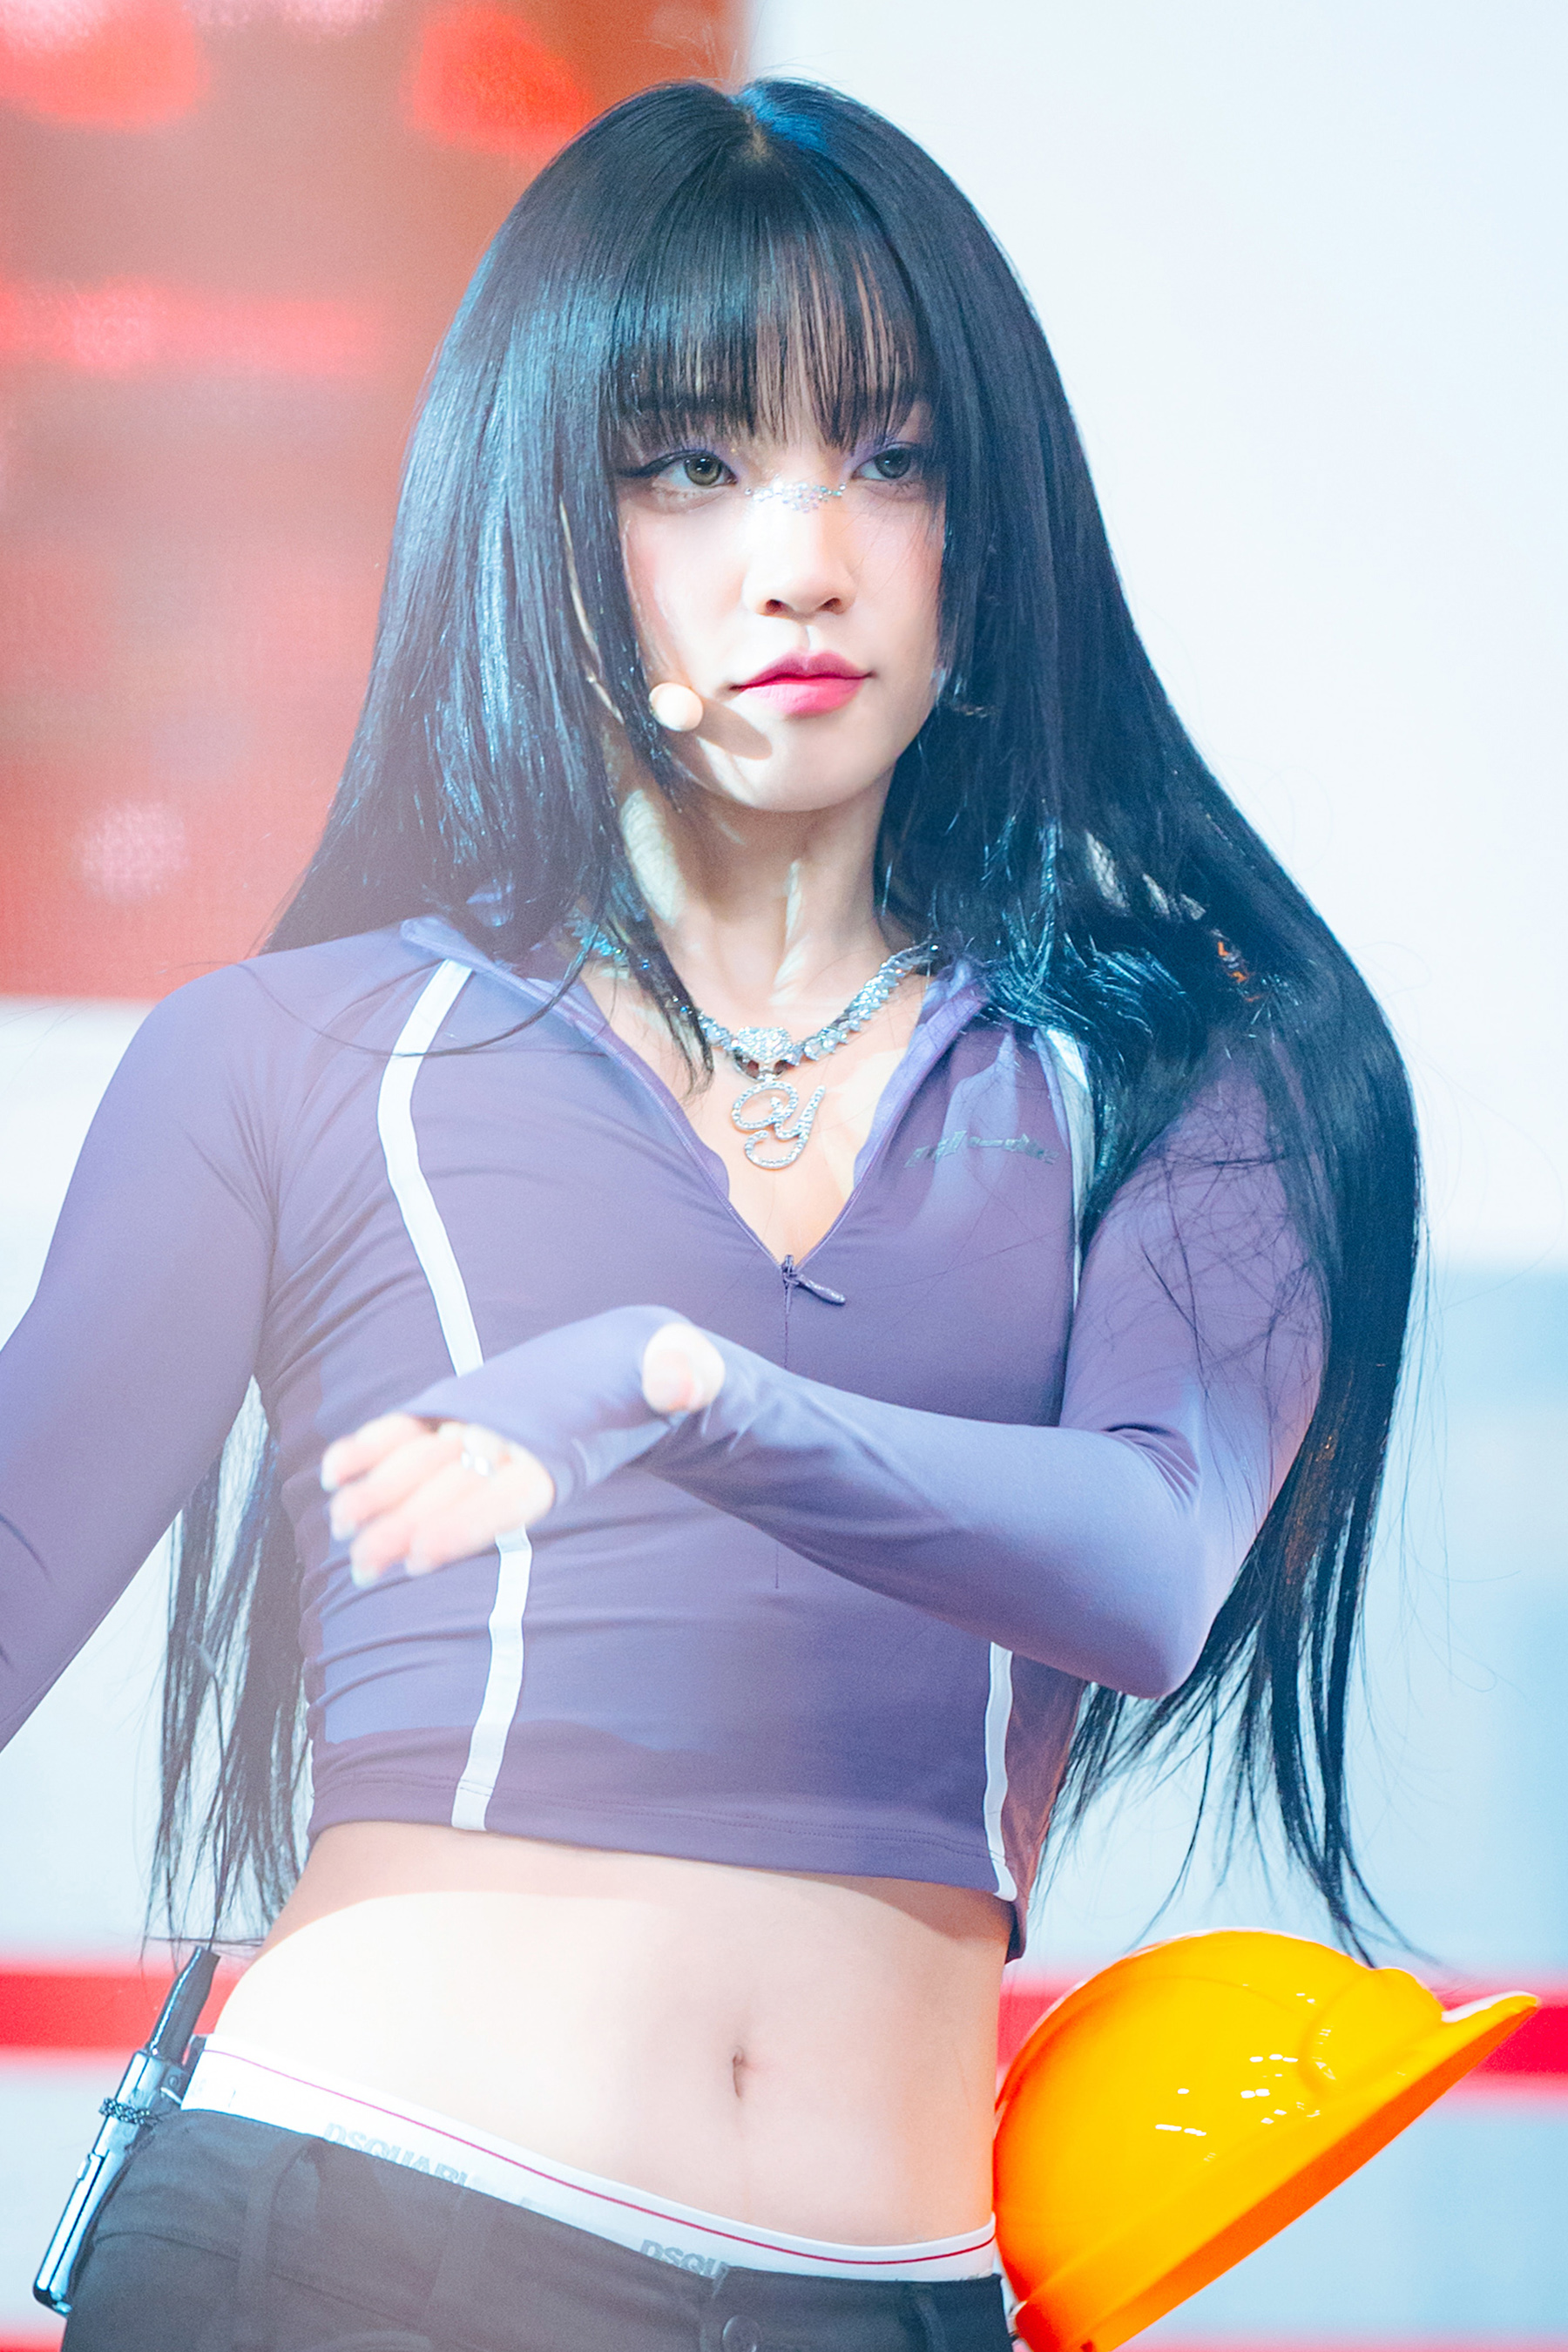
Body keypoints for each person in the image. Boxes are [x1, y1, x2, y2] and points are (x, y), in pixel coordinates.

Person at [0, 76, 1418, 2352]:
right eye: (687, 463)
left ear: (992, 528)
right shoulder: (296, 1055)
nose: (803, 558)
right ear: (539, 517)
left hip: (887, 2297)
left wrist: (684, 1393)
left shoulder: (1179, 1068)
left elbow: (1148, 1567)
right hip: (358, 2243)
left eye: (892, 456)